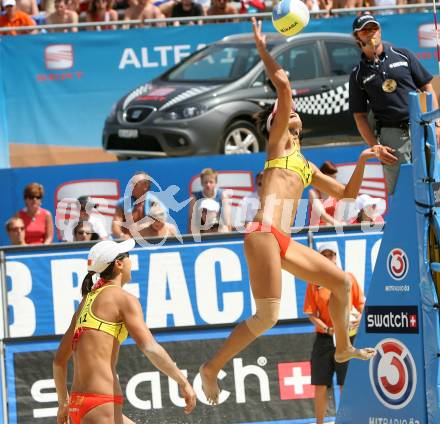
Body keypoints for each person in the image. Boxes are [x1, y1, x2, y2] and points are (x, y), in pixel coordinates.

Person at [199, 18, 380, 405]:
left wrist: (364, 159)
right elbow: (282, 84)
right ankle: (211, 368)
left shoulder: (306, 165)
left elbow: (347, 195)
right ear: (276, 125)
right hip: (262, 232)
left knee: (342, 283)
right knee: (267, 317)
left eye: (289, 113)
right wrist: (263, 48)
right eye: (283, 114)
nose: (289, 113)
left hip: (282, 239)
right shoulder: (279, 145)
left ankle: (343, 346)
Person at [53, 239, 196, 423]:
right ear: (119, 264)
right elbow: (150, 348)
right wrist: (182, 381)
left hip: (79, 406)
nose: (131, 261)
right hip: (101, 403)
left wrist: (63, 403)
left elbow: (58, 362)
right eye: (128, 257)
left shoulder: (86, 301)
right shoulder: (122, 299)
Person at [349, 14, 440, 195]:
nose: (371, 33)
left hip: (421, 128)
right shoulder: (358, 74)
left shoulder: (403, 55)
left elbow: (428, 87)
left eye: (374, 28)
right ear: (357, 37)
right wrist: (376, 147)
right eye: (365, 30)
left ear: (380, 31)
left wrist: (437, 123)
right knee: (402, 192)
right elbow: (359, 116)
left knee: (434, 186)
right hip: (392, 137)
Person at [304, 243, 365, 424]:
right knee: (321, 385)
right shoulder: (315, 282)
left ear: (336, 257)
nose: (328, 258)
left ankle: (347, 420)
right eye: (324, 255)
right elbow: (311, 314)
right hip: (324, 338)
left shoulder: (348, 278)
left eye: (331, 255)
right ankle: (320, 422)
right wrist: (328, 329)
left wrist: (359, 319)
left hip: (346, 337)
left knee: (345, 384)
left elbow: (361, 305)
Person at [112, 171, 165, 240]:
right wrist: (122, 236)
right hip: (127, 245)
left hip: (150, 244)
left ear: (145, 186)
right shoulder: (122, 203)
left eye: (134, 184)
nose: (130, 186)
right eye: (131, 183)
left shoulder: (155, 203)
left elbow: (161, 225)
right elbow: (115, 225)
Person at [188, 168, 231, 234]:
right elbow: (191, 221)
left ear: (215, 182)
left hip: (218, 227)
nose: (208, 185)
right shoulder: (194, 197)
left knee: (224, 228)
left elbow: (227, 220)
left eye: (211, 182)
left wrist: (229, 237)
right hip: (201, 228)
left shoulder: (223, 195)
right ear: (201, 183)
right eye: (205, 182)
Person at [308, 161, 343, 227]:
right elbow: (322, 215)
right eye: (332, 178)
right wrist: (338, 225)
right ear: (324, 178)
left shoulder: (336, 194)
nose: (334, 181)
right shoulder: (313, 193)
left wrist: (341, 224)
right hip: (317, 232)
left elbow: (339, 216)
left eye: (335, 178)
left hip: (332, 229)